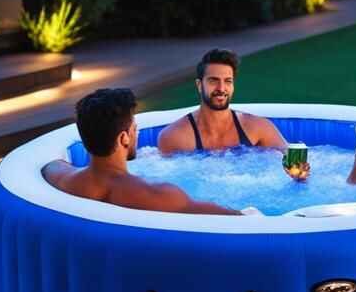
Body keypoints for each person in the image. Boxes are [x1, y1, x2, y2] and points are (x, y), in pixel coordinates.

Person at [43, 88, 259, 216]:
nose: (136, 133)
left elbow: (49, 165)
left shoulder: (63, 178)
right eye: (134, 129)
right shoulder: (159, 196)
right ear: (123, 138)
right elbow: (236, 219)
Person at [156, 48, 308, 180]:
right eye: (213, 80)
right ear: (199, 85)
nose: (221, 88)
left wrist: (299, 174)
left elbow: (292, 161)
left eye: (228, 81)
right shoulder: (174, 137)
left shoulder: (257, 128)